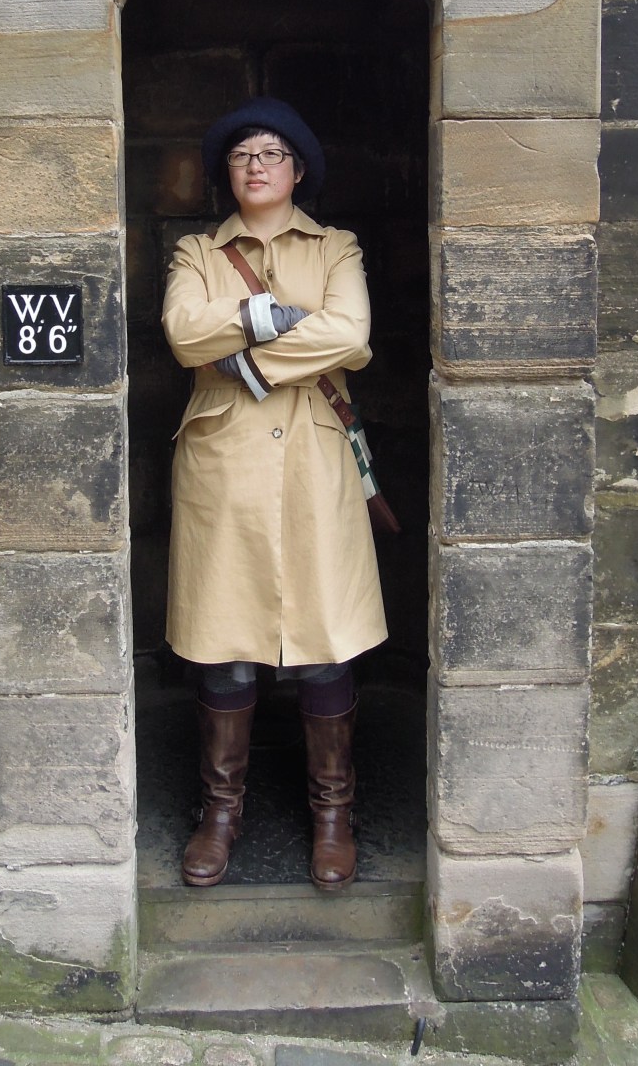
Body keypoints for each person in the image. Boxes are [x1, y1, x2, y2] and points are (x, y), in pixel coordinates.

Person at [161, 97, 387, 893]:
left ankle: (334, 812)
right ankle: (220, 814)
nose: (256, 165)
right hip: (224, 467)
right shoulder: (196, 250)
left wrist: (252, 358)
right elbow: (185, 335)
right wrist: (266, 312)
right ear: (228, 172)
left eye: (272, 153)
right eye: (241, 155)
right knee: (225, 641)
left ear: (297, 169)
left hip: (315, 465)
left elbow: (352, 336)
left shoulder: (336, 247)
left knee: (325, 637)